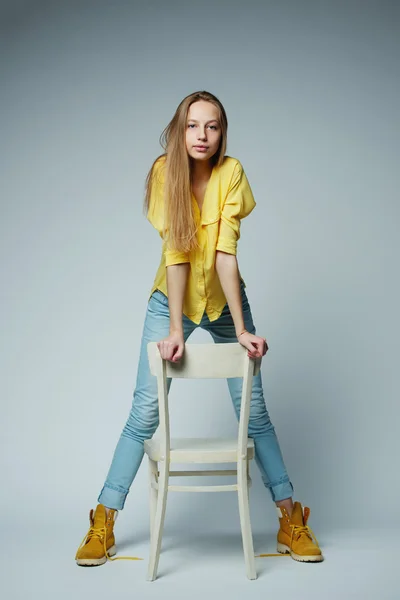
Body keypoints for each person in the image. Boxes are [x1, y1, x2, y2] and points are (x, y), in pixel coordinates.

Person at [75, 91, 323, 567]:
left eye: (211, 126)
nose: (202, 135)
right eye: (193, 126)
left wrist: (243, 327)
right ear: (178, 129)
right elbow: (177, 253)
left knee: (255, 415)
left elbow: (226, 253)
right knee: (145, 411)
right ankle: (103, 519)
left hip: (225, 303)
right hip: (173, 299)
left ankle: (291, 519)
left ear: (222, 133)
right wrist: (174, 329)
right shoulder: (162, 173)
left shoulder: (232, 173)